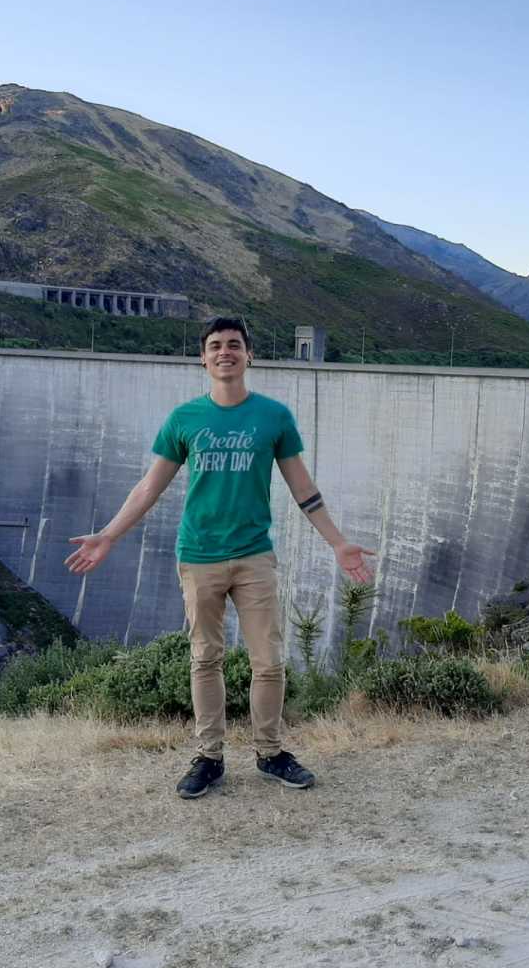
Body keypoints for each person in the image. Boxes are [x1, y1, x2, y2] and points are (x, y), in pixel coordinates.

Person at [64, 316, 376, 798]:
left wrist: (337, 541)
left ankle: (270, 753)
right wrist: (108, 535)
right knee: (205, 659)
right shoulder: (185, 419)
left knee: (268, 662)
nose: (225, 352)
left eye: (234, 345)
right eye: (215, 346)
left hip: (254, 557)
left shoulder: (273, 417)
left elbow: (303, 488)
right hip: (199, 556)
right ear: (203, 359)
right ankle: (209, 757)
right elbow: (150, 486)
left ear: (249, 355)